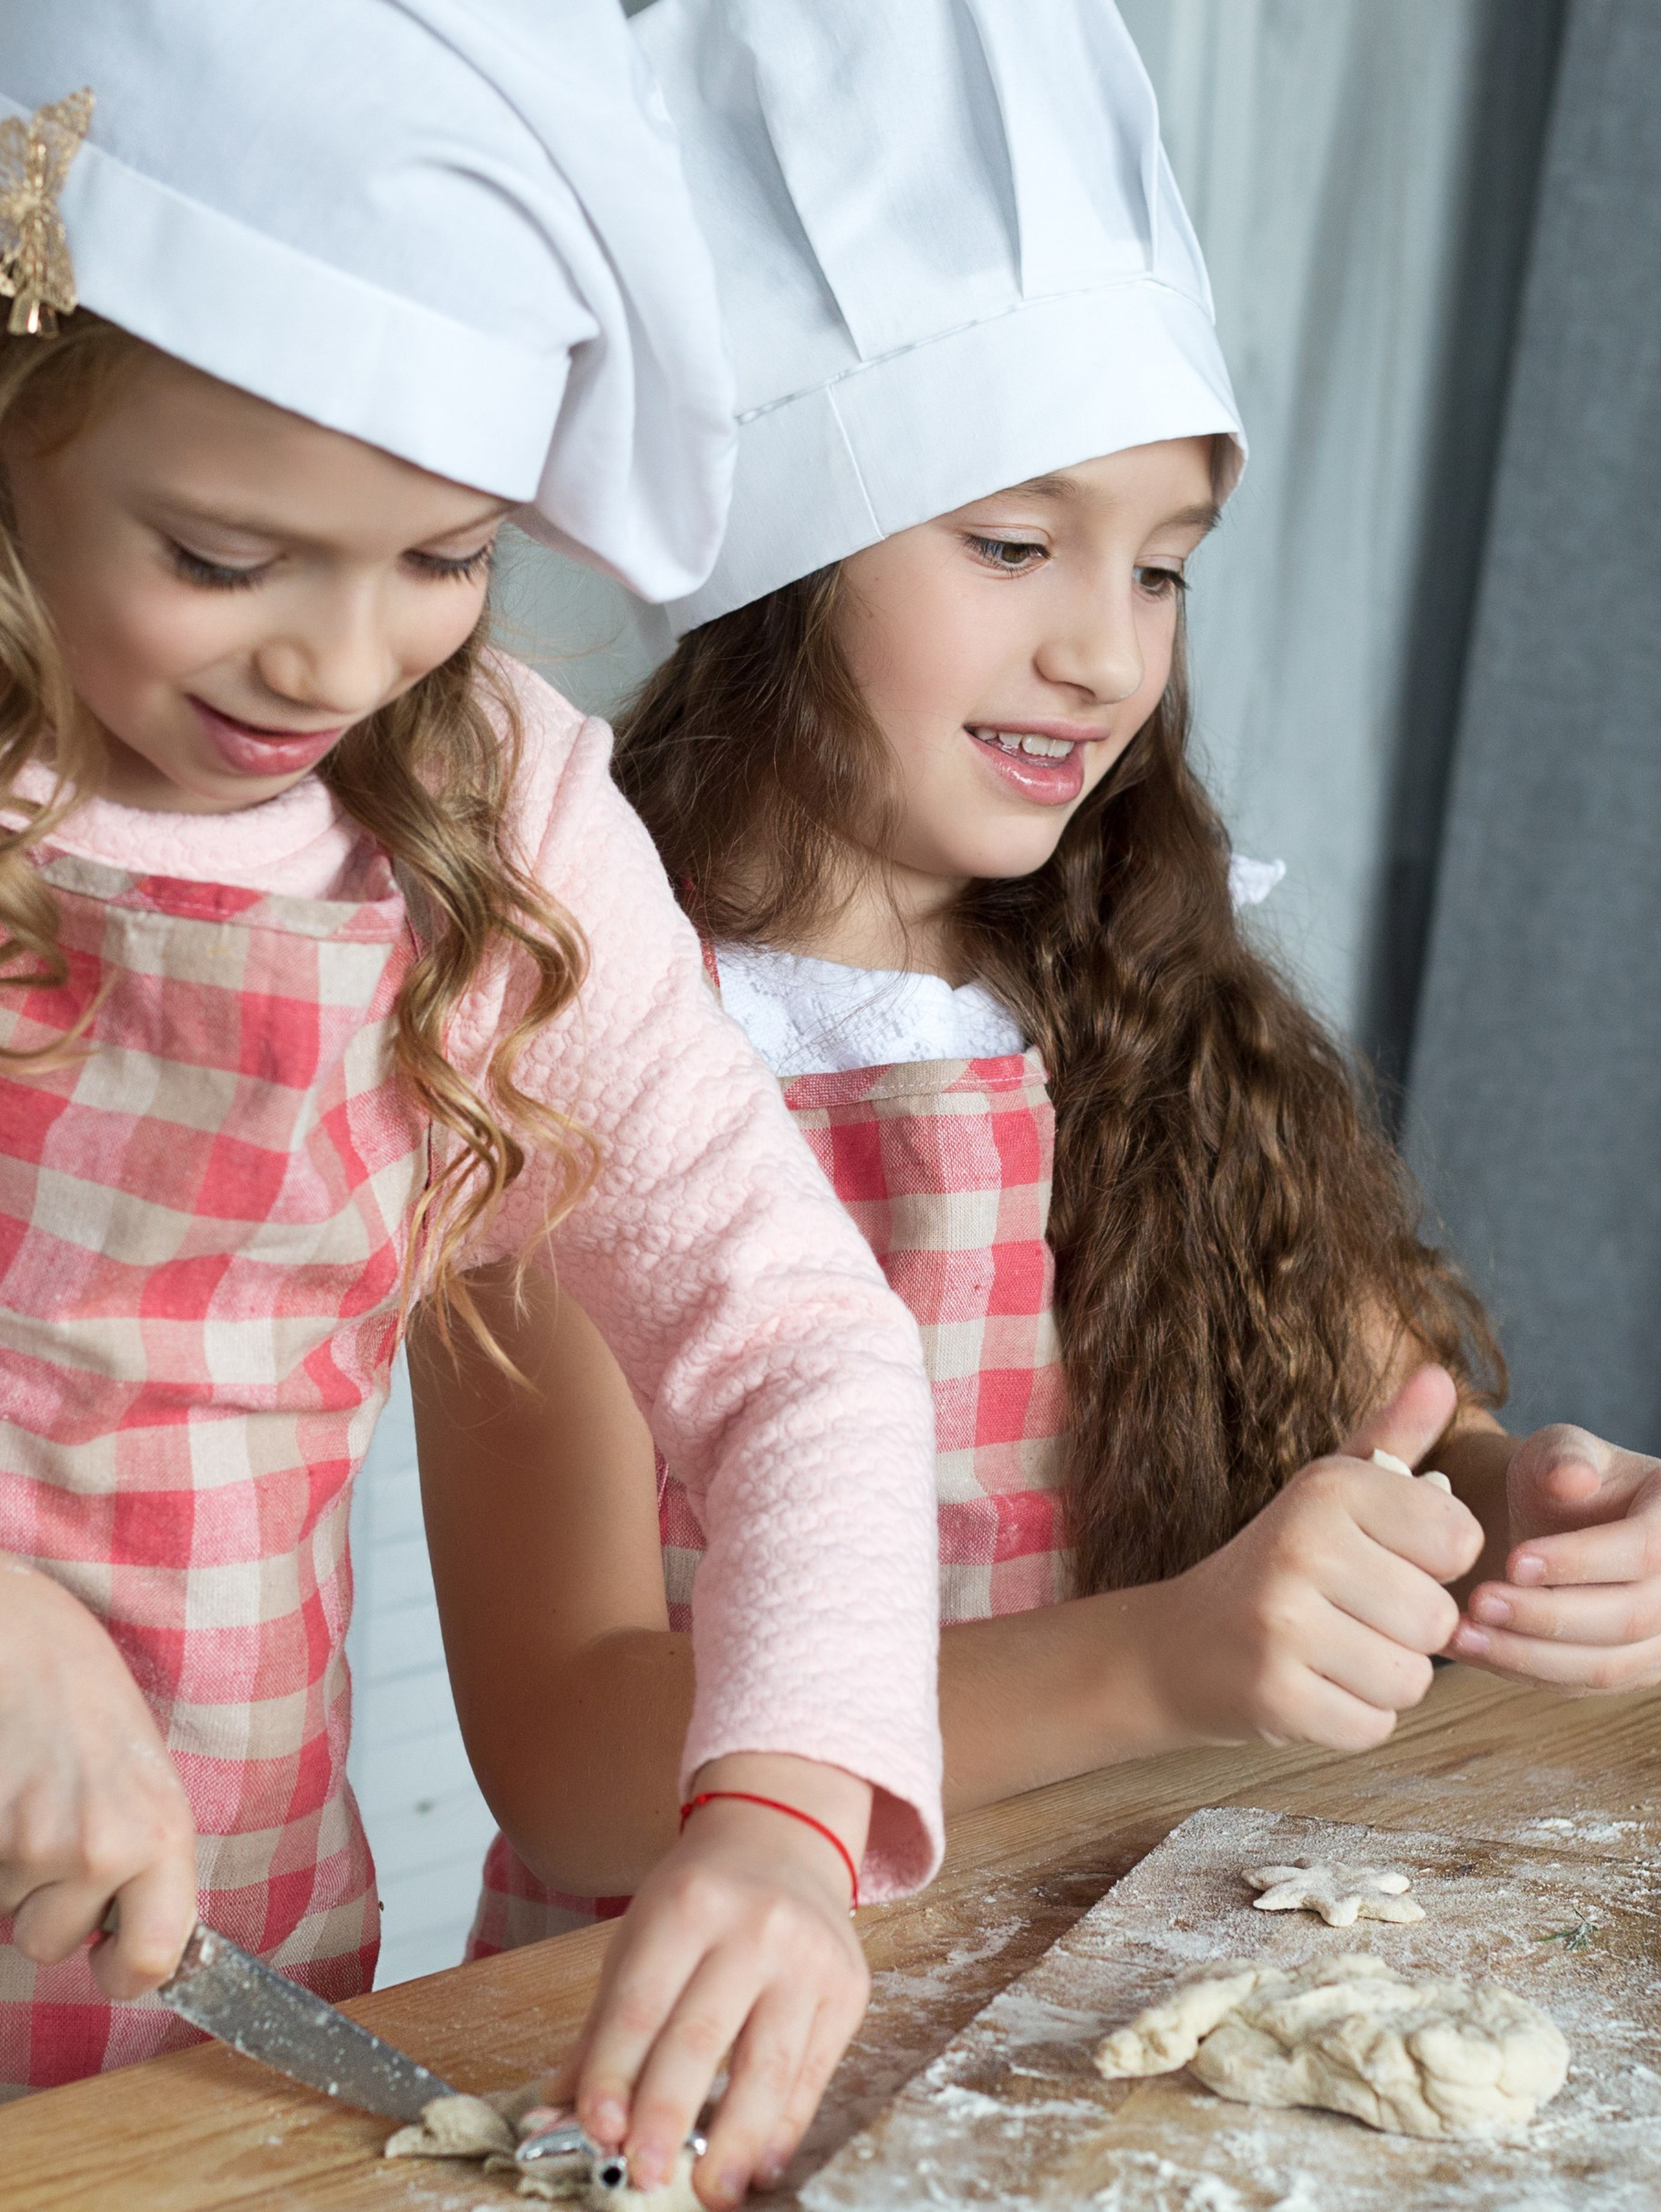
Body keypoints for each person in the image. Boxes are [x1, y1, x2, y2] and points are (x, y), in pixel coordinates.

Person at [423, 0, 1661, 1977]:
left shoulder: (1154, 991)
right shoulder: (573, 1028)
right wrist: (1157, 1664)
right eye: (1014, 543)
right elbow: (568, 1759)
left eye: (1161, 568)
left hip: (1114, 1988)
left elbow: (1402, 1438)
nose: (1104, 654)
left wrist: (1528, 1536)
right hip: (686, 2016)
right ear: (777, 561)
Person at [0, 1, 949, 2212]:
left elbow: (797, 1341)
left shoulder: (495, 809)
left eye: (440, 557)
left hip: (191, 2004)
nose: (337, 665)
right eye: (224, 559)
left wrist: (786, 1817)